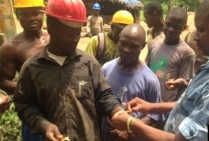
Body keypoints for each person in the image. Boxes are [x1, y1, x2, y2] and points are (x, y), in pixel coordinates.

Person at [111, 0, 209, 140]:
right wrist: (151, 107)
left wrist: (131, 123)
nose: (196, 36)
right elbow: (197, 105)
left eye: (202, 30)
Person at [13, 0, 128, 140]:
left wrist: (116, 112)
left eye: (78, 33)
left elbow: (104, 95)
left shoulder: (88, 63)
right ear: (51, 28)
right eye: (69, 34)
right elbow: (24, 105)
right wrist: (44, 125)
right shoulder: (32, 68)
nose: (75, 39)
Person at [101, 23, 163, 141]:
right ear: (118, 40)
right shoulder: (106, 69)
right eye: (123, 43)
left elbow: (154, 115)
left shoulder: (150, 80)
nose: (126, 50)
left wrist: (129, 129)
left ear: (143, 46)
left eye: (134, 46)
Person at [0, 0, 49, 140]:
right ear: (17, 15)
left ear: (43, 13)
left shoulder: (54, 39)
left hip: (58, 106)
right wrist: (30, 89)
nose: (31, 18)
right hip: (33, 111)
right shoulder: (11, 47)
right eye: (25, 14)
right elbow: (3, 81)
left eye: (35, 13)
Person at [146, 7, 195, 103]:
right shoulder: (154, 43)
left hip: (165, 106)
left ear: (184, 28)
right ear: (164, 22)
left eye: (177, 27)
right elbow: (146, 68)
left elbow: (183, 87)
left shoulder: (187, 53)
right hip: (147, 100)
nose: (171, 29)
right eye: (168, 24)